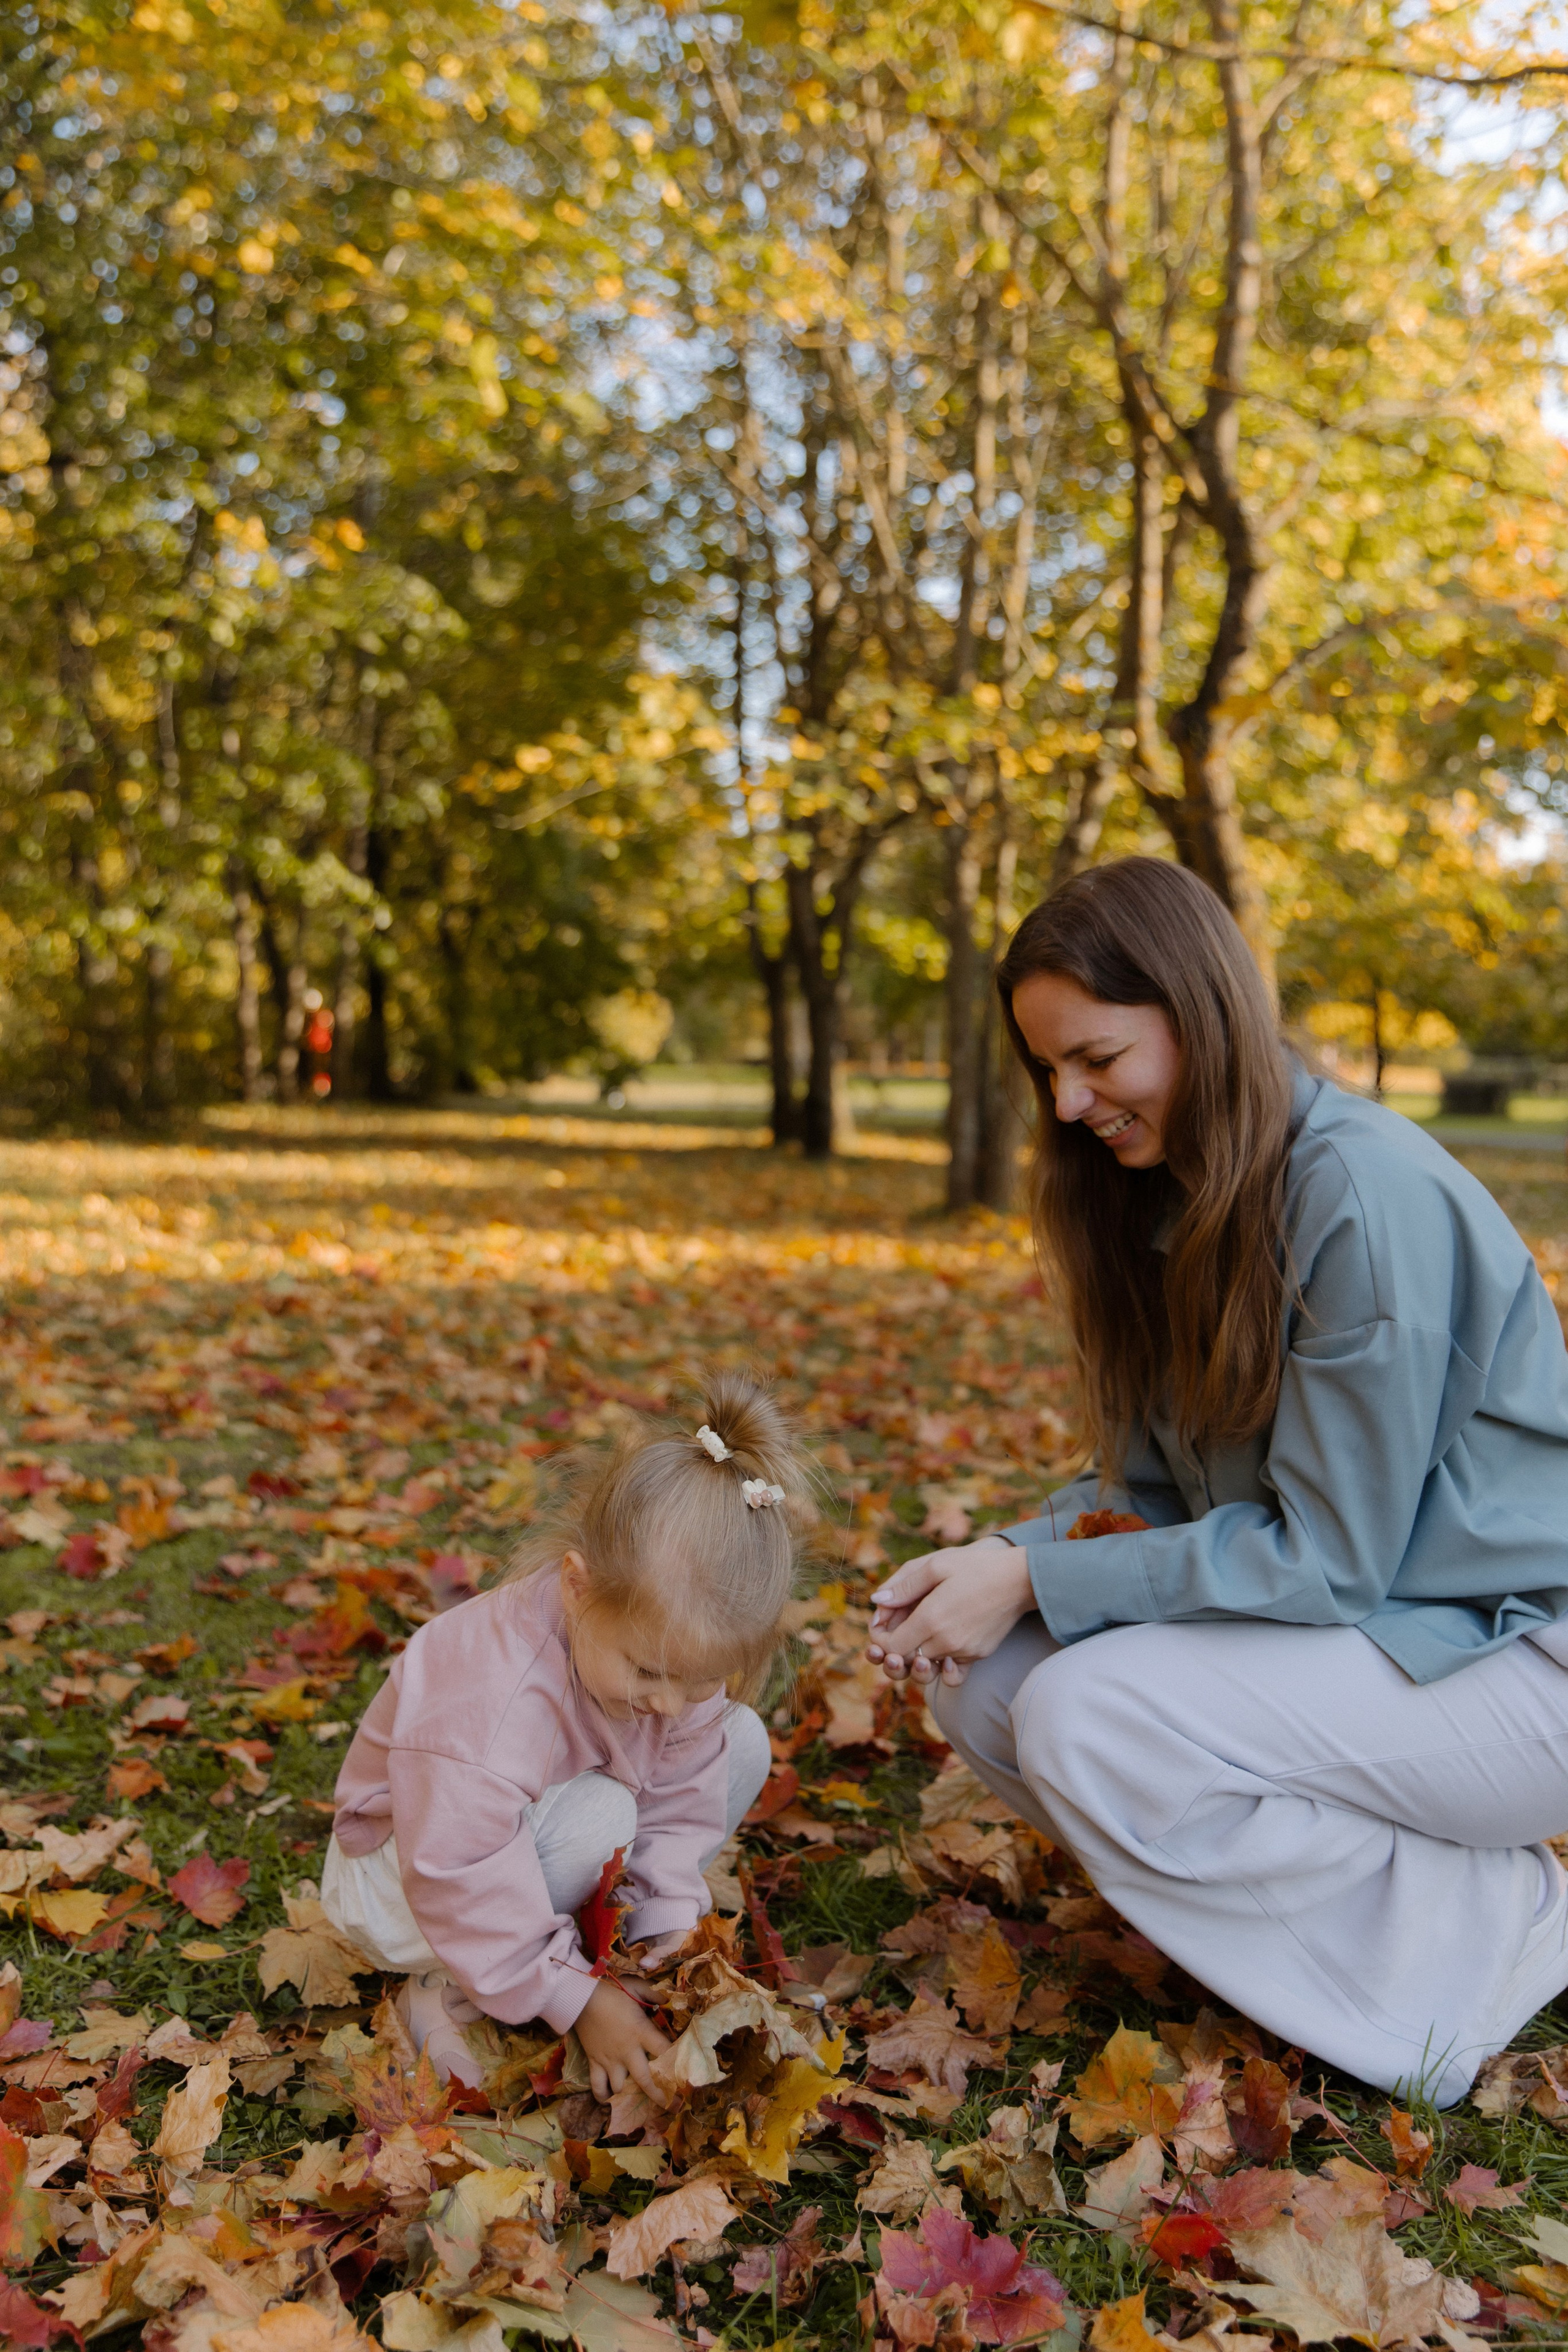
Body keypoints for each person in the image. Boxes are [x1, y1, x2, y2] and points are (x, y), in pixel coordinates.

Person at [869, 856, 1568, 2106]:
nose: (1069, 1100)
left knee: (1086, 1713)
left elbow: (1325, 1560)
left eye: (1095, 1058)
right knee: (987, 1682)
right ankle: (1380, 1932)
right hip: (1378, 1643)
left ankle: (1488, 1928)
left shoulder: (1359, 1194)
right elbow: (1146, 1490)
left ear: (1197, 1012)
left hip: (1506, 1661)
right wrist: (992, 1567)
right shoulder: (1165, 1200)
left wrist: (1037, 1573)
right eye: (1045, 1070)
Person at [322, 1372, 807, 2095]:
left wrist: (666, 1926)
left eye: (697, 1679)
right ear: (577, 1588)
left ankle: (576, 1943)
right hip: (413, 1881)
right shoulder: (490, 1697)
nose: (672, 1703)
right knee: (604, 1815)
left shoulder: (669, 1668)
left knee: (738, 1739)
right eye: (648, 1672)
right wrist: (578, 2001)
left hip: (528, 1839)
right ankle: (442, 1984)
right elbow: (459, 1865)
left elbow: (679, 1795)